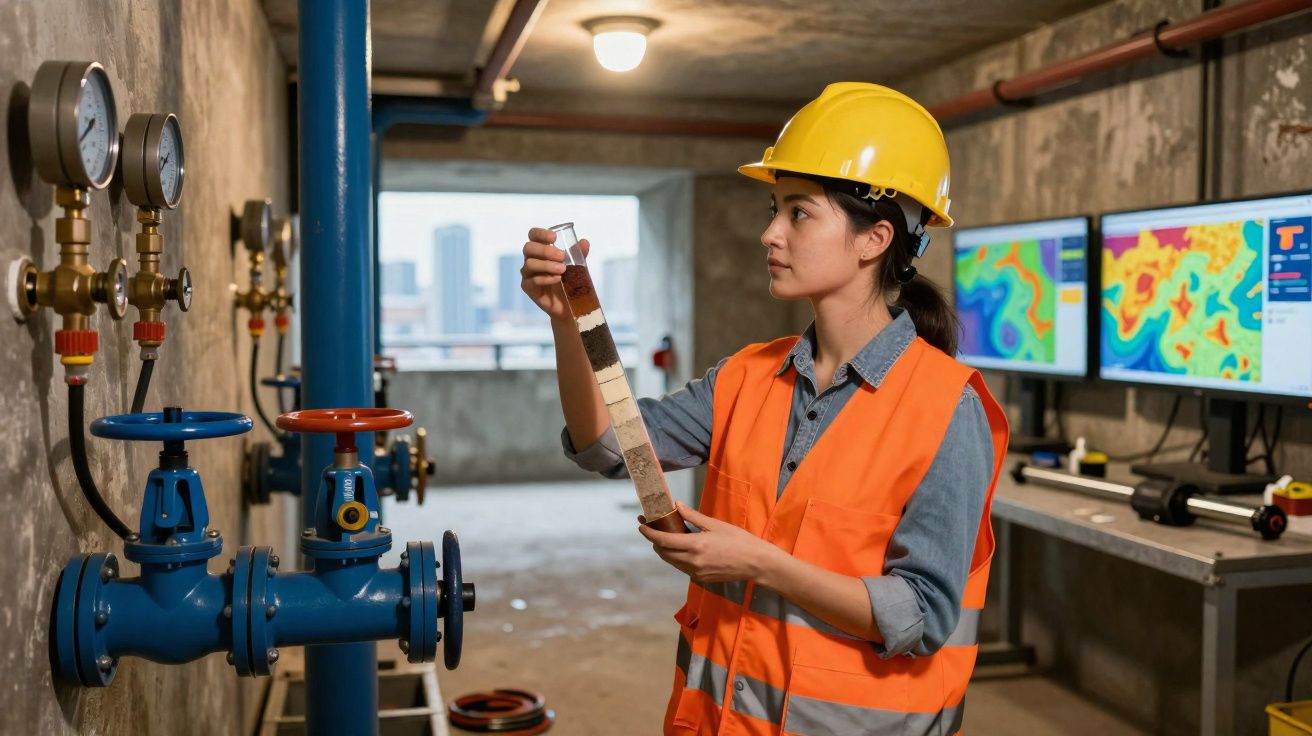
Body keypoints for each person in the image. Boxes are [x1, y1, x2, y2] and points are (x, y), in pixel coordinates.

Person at [519, 82, 1008, 736]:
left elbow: (918, 614)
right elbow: (612, 445)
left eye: (798, 213)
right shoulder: (748, 377)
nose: (769, 233)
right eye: (774, 209)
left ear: (874, 238)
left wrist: (760, 564)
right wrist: (567, 323)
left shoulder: (948, 407)